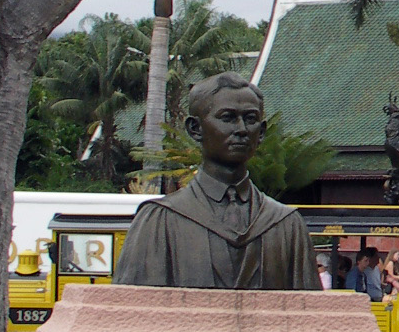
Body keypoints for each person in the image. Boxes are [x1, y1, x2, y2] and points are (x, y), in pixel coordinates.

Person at [112, 74, 320, 289]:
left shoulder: (287, 225)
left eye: (250, 119)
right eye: (227, 118)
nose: (241, 129)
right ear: (195, 128)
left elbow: (308, 307)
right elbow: (134, 305)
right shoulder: (159, 221)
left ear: (261, 132)